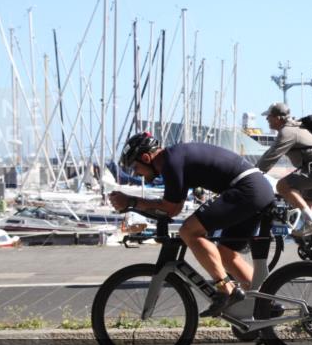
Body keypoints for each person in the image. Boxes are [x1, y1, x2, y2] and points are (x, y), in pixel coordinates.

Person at [109, 133, 275, 316]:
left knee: (189, 231)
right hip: (257, 188)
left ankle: (226, 290)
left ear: (146, 158)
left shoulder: (170, 163)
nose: (136, 173)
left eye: (135, 168)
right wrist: (133, 204)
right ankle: (265, 303)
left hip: (246, 189)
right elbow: (175, 207)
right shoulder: (174, 159)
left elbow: (171, 209)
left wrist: (131, 201)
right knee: (226, 254)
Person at [256, 103, 312, 237]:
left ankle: (311, 223)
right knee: (308, 207)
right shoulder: (296, 127)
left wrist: (253, 174)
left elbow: (271, 156)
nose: (267, 119)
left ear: (278, 118)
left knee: (282, 186)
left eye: (269, 116)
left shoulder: (287, 132)